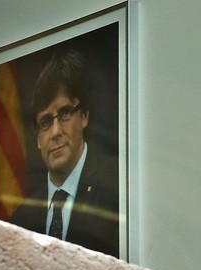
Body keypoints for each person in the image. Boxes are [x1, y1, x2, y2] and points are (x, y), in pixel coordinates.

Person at [10, 50, 120, 258]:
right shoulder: (21, 220)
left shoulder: (120, 186)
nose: (55, 132)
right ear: (37, 139)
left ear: (84, 116)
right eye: (45, 122)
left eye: (65, 113)